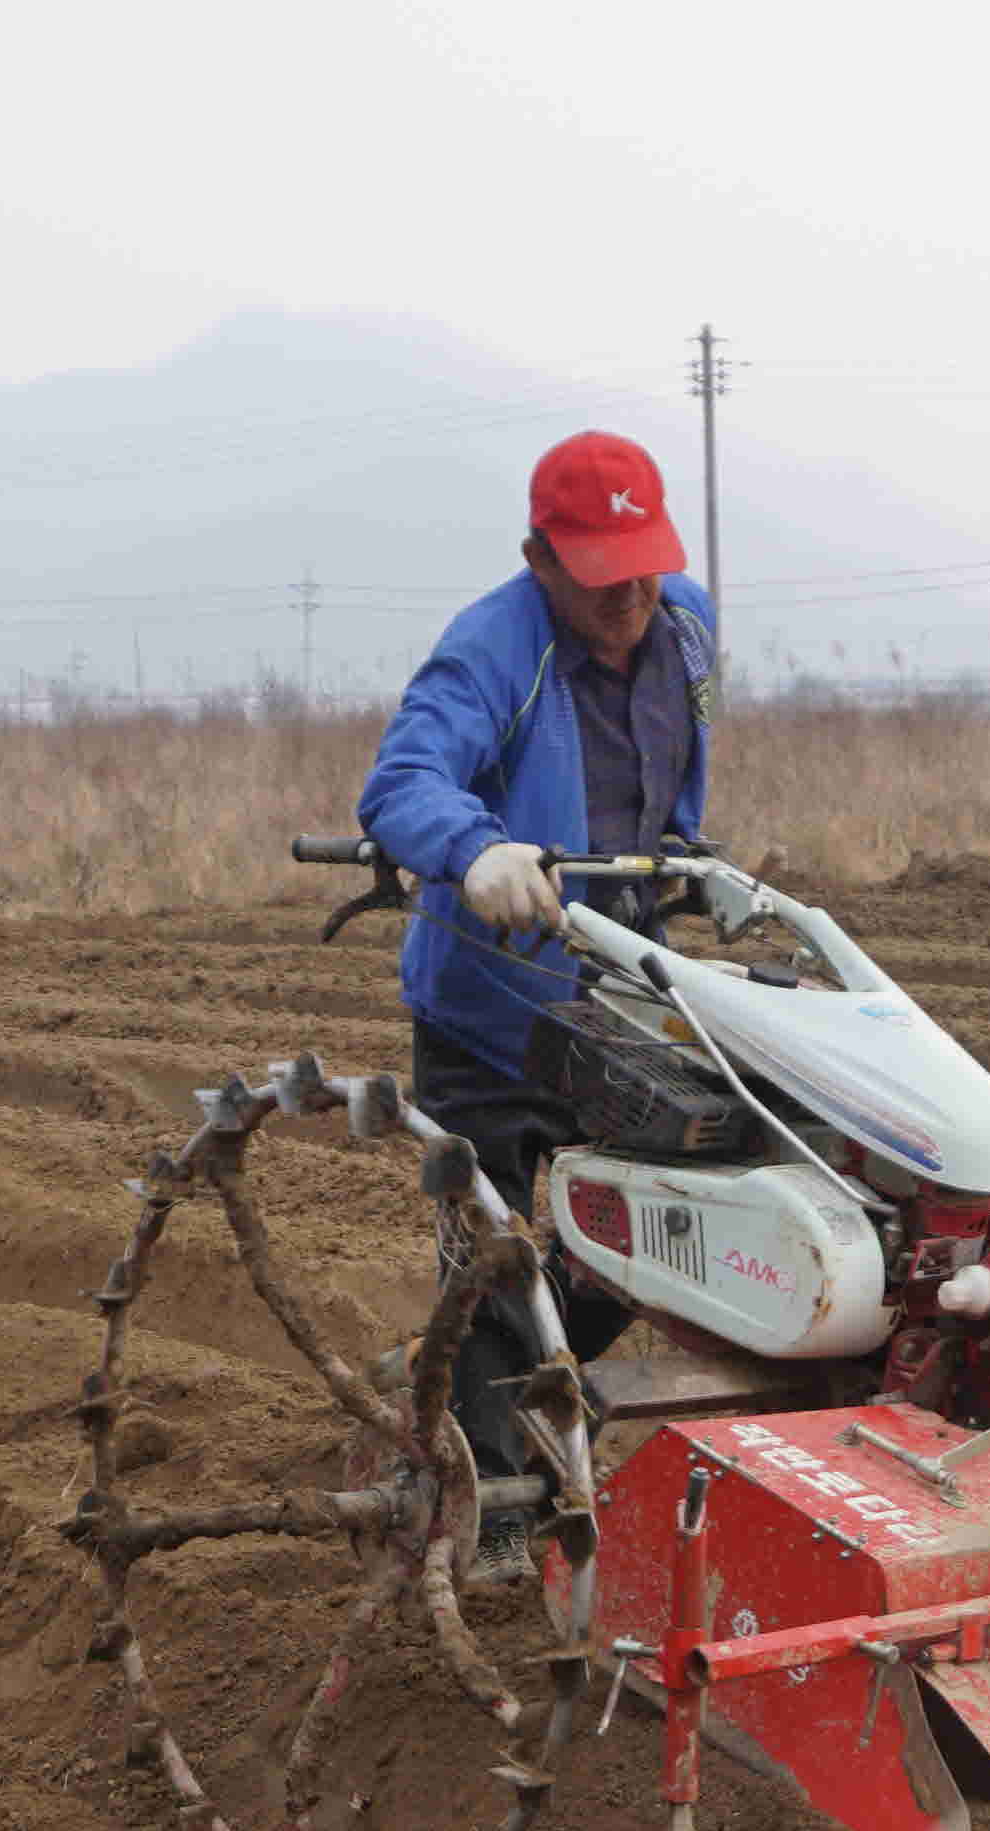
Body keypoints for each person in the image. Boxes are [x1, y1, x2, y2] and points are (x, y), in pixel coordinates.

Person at [352, 432, 720, 1496]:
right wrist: (475, 851)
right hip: (491, 1008)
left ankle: (498, 1369)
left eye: (645, 566)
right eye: (604, 577)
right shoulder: (491, 649)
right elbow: (403, 781)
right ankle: (495, 1504)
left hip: (620, 994)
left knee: (663, 1225)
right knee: (493, 1254)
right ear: (540, 557)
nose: (630, 599)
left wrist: (687, 858)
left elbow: (674, 767)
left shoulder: (687, 627)